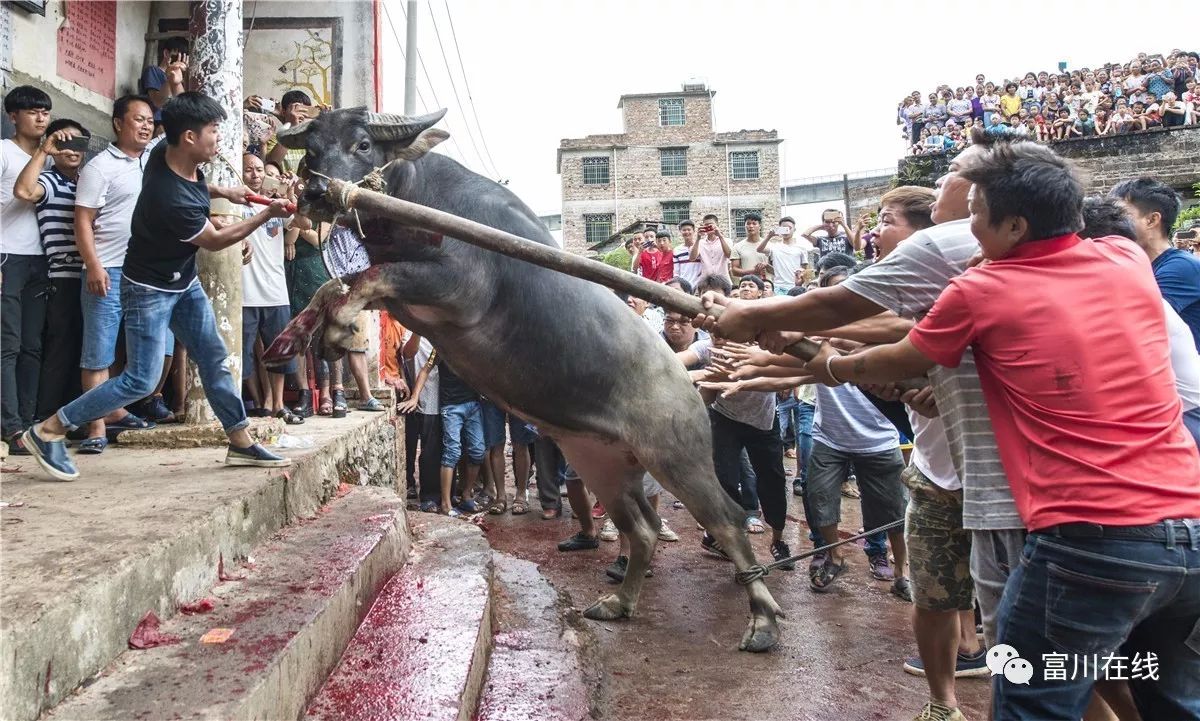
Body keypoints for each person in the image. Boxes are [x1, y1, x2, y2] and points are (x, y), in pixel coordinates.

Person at [804, 141, 1200, 721]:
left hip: (1090, 537)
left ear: (1015, 225)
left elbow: (889, 344)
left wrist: (828, 364)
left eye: (976, 212)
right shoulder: (1123, 257)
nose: (967, 224)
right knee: (1163, 693)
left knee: (1032, 698)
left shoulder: (979, 287)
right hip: (1186, 532)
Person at [24, 92, 294, 480]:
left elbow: (196, 189)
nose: (219, 139)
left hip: (182, 282)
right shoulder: (174, 198)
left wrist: (223, 191)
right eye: (213, 132)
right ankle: (49, 429)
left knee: (214, 356)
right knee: (141, 380)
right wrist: (265, 213)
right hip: (148, 290)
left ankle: (240, 441)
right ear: (188, 137)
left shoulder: (162, 157)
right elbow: (216, 241)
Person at [74, 94, 173, 452]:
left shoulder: (157, 160)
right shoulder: (100, 167)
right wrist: (94, 265)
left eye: (150, 120)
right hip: (109, 270)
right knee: (98, 352)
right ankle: (96, 428)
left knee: (152, 348)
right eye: (139, 119)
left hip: (147, 275)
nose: (147, 125)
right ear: (118, 123)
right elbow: (82, 221)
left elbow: (179, 125)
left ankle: (115, 409)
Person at [12, 119, 89, 422]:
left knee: (85, 349)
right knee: (61, 347)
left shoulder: (88, 181)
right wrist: (45, 150)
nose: (72, 150)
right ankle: (46, 417)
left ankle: (75, 417)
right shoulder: (49, 180)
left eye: (78, 143)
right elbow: (23, 190)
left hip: (91, 276)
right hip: (61, 277)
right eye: (65, 143)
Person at [1, 86, 52, 453]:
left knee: (33, 346)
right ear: (12, 116)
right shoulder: (3, 152)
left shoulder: (50, 160)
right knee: (9, 344)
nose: (40, 117)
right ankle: (10, 426)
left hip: (39, 258)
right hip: (7, 256)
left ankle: (29, 423)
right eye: (32, 111)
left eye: (45, 112)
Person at [239, 152, 306, 424]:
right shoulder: (235, 204)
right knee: (242, 357)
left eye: (258, 169)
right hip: (243, 293)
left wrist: (293, 198)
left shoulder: (276, 205)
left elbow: (305, 223)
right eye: (249, 170)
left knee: (279, 354)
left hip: (276, 292)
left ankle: (278, 405)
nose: (255, 174)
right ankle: (243, 406)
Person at [1111, 177, 1200, 350]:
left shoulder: (1180, 268)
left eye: (1120, 215)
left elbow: (1134, 324)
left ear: (1152, 220)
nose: (1112, 223)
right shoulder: (1145, 266)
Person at [398, 333, 443, 512]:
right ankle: (410, 484)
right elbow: (408, 353)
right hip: (412, 398)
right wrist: (418, 329)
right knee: (409, 447)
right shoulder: (410, 332)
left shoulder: (442, 333)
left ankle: (430, 496)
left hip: (436, 398)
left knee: (431, 452)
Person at [757, 216, 813, 295]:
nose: (787, 231)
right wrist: (769, 236)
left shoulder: (801, 248)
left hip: (795, 286)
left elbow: (804, 268)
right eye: (784, 228)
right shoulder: (774, 247)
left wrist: (802, 280)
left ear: (794, 229)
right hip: (778, 286)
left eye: (789, 228)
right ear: (779, 229)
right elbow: (759, 249)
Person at [139, 36, 188, 120]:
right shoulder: (153, 71)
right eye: (176, 56)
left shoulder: (181, 78)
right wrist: (170, 79)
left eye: (183, 57)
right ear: (166, 53)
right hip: (157, 121)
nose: (179, 61)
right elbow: (156, 102)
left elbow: (183, 106)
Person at [730, 212, 769, 281]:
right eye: (748, 223)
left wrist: (766, 266)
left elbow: (776, 268)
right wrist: (753, 271)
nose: (751, 226)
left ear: (760, 226)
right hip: (747, 285)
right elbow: (734, 271)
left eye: (754, 223)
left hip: (766, 285)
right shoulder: (737, 247)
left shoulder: (769, 245)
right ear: (744, 226)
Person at [693, 213, 731, 283]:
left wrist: (720, 236)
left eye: (710, 224)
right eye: (705, 225)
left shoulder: (727, 240)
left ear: (717, 225)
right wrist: (698, 238)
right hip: (706, 281)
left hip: (723, 280)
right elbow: (692, 258)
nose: (708, 227)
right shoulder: (700, 242)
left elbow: (729, 255)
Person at [672, 220, 703, 289]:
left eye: (689, 230)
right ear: (680, 231)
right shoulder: (677, 250)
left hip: (699, 285)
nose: (686, 232)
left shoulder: (701, 246)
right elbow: (676, 272)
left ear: (694, 231)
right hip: (683, 286)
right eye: (684, 230)